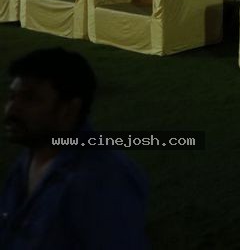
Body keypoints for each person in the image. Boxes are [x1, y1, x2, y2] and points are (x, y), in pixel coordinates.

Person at [0, 48, 148, 248]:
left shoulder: (102, 181)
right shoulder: (32, 154)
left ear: (69, 109)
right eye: (12, 96)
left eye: (29, 99)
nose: (11, 109)